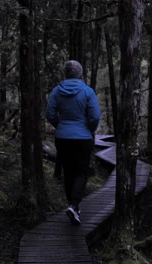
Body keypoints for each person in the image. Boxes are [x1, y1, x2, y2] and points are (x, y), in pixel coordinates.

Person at [46, 60, 101, 225]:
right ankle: (74, 205)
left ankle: (73, 207)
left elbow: (50, 114)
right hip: (83, 138)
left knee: (68, 172)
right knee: (82, 172)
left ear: (65, 74)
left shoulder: (56, 91)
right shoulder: (87, 91)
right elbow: (95, 116)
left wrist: (60, 126)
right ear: (81, 74)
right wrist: (89, 128)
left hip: (62, 138)